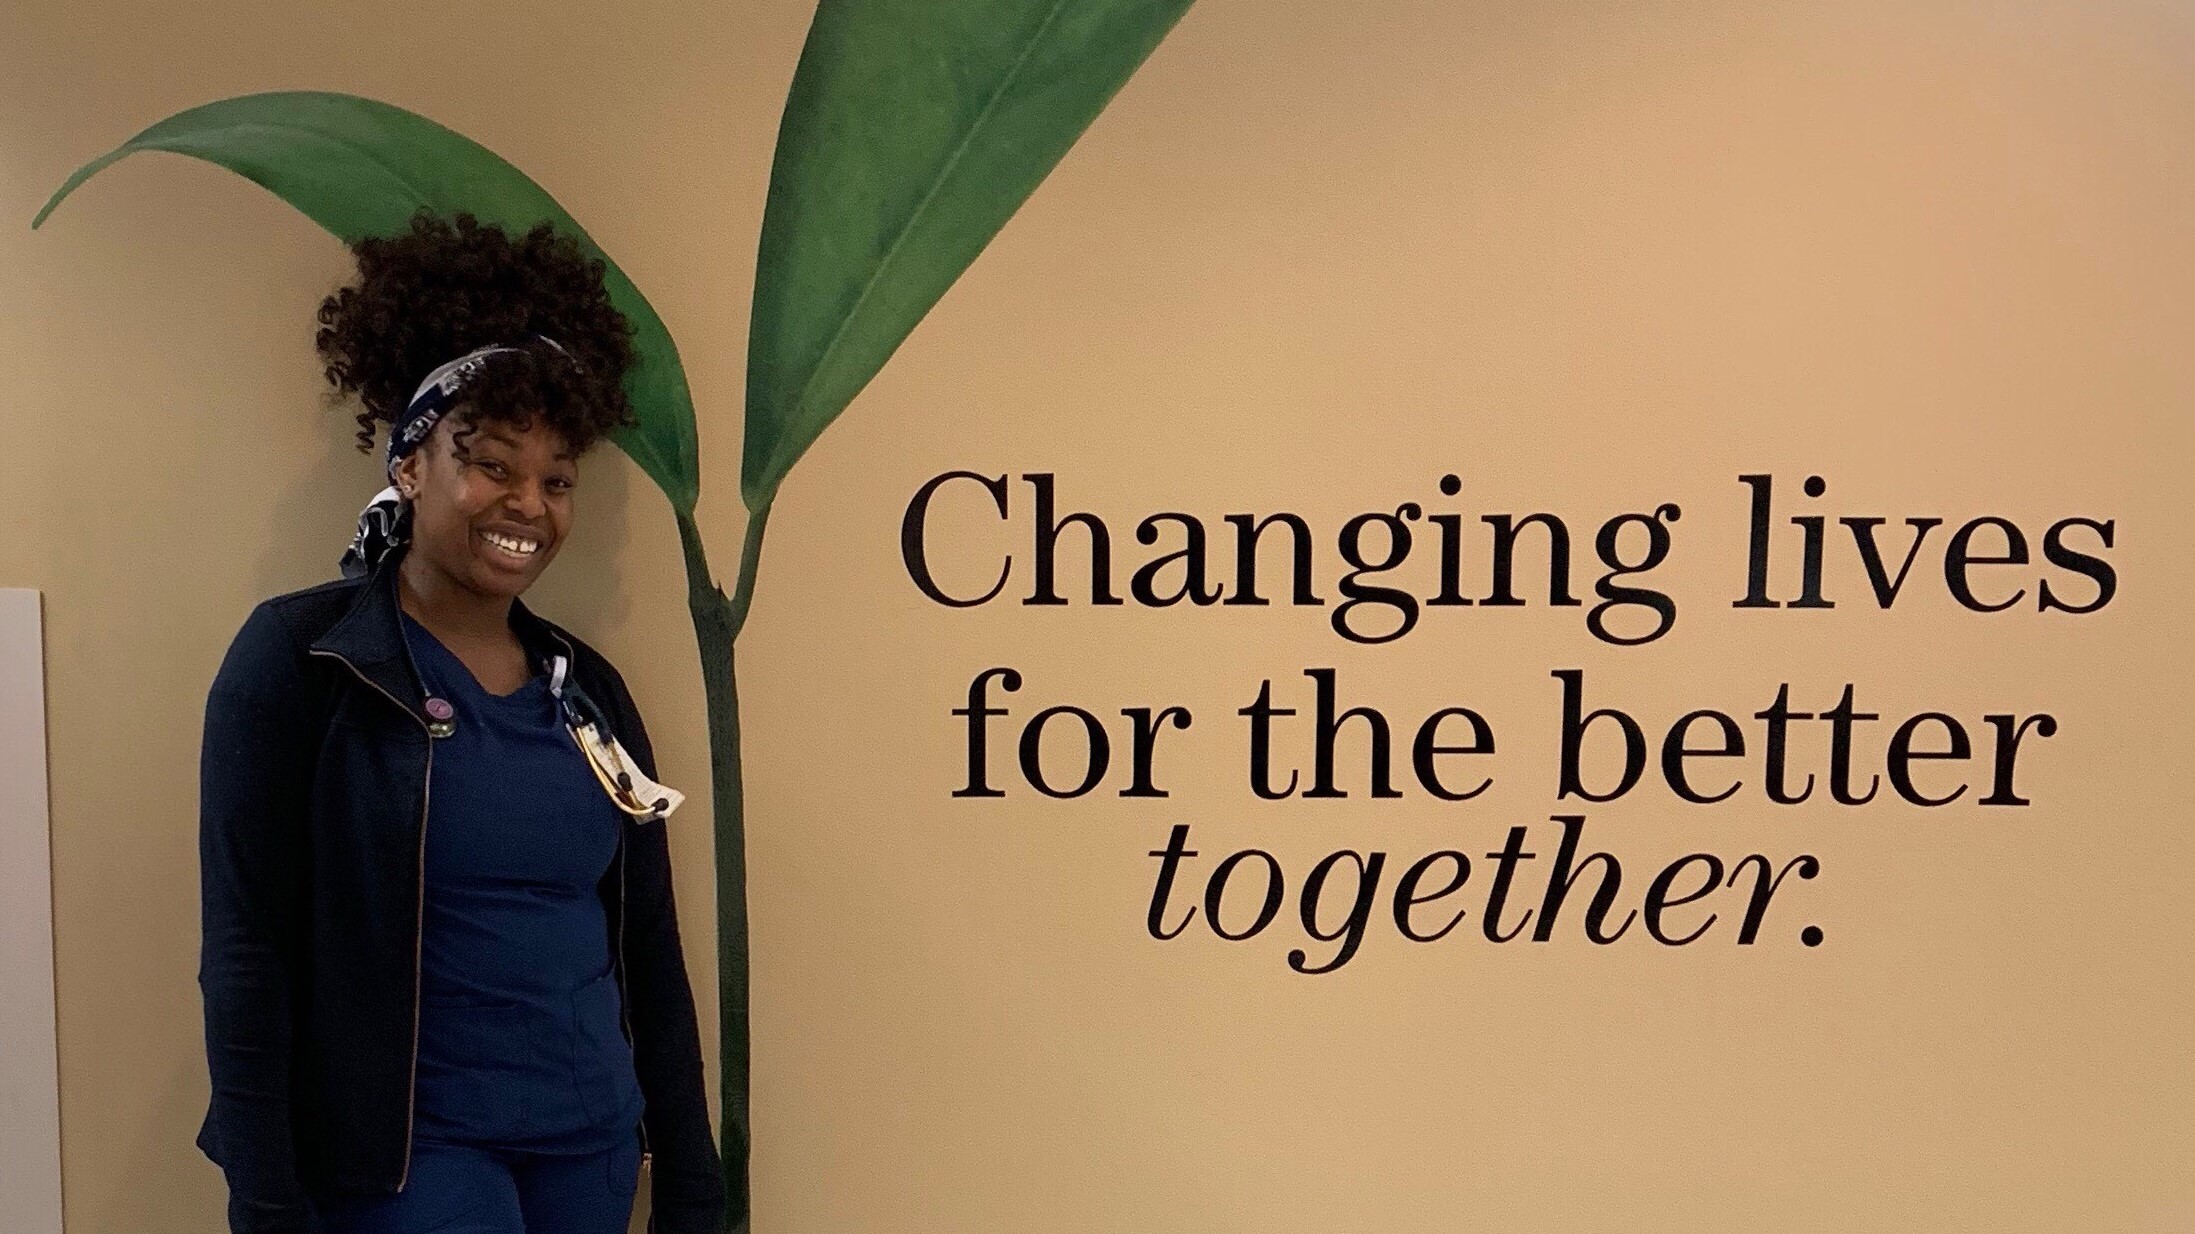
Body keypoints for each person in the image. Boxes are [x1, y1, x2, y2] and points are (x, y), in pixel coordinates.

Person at [196, 209, 723, 1234]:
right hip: (409, 1160)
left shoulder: (589, 690)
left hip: (589, 1143)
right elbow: (245, 951)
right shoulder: (304, 665)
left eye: (557, 478)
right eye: (490, 463)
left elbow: (647, 949)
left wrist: (691, 1181)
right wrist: (265, 1202)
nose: (527, 503)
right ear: (408, 464)